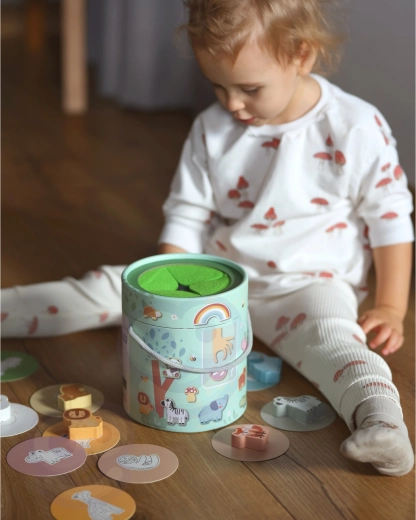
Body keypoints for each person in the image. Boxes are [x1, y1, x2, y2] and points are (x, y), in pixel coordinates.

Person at [1, 0, 414, 476]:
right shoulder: (212, 127)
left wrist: (390, 306)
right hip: (214, 280)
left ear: (302, 55)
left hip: (306, 286)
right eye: (217, 86)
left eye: (249, 89)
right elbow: (187, 213)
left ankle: (383, 425)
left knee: (336, 341)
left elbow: (390, 218)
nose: (232, 104)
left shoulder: (354, 126)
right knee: (102, 287)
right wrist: (165, 289)